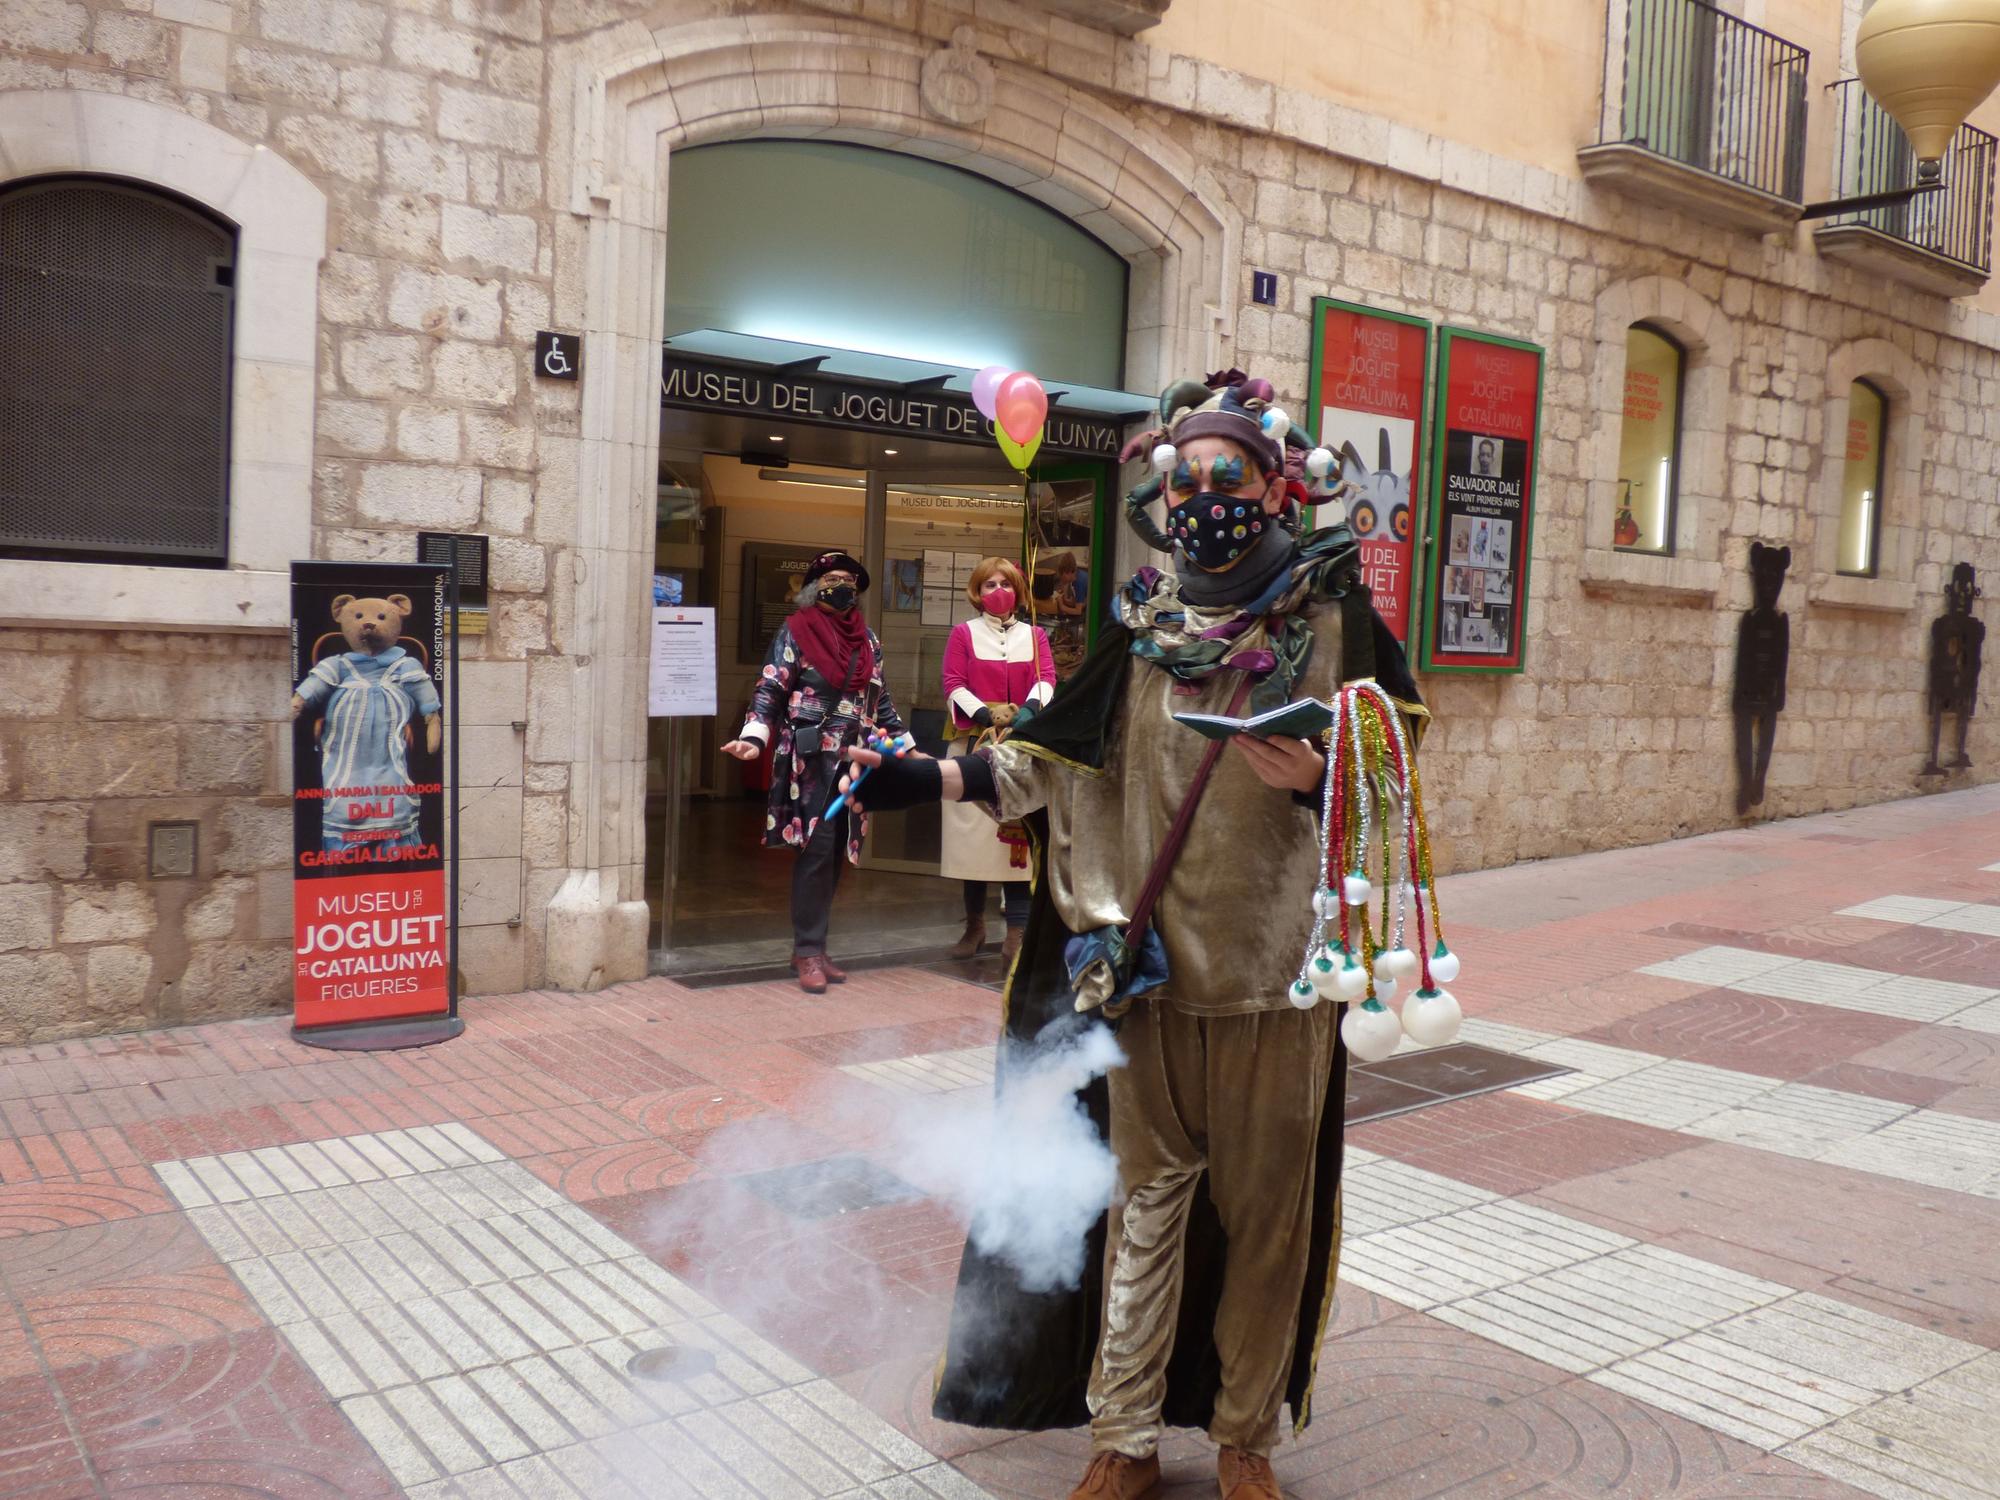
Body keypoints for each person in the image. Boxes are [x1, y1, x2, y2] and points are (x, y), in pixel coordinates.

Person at [840, 373, 1424, 1500]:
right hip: (1146, 983)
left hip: (1279, 989)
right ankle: (1124, 1435)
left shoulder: (1331, 623)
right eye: (1190, 478)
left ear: (1275, 487)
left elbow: (1399, 781)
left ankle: (1244, 1437)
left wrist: (1319, 780)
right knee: (1141, 1214)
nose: (1209, 497)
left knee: (1264, 1226)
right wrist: (922, 773)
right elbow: (1046, 763)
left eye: (1232, 478)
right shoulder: (1140, 630)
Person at [721, 551, 904, 994]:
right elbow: (770, 686)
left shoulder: (867, 640)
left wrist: (906, 745)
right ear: (814, 586)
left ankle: (816, 947)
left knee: (838, 849)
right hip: (810, 761)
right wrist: (755, 737)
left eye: (847, 579)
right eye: (830, 578)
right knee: (817, 850)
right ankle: (806, 951)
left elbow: (879, 701)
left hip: (854, 758)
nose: (839, 585)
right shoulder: (796, 630)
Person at [939, 558, 1056, 962]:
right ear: (977, 592)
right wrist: (983, 714)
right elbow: (952, 682)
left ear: (1017, 591)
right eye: (988, 584)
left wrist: (1028, 710)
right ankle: (974, 925)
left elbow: (1047, 679)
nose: (997, 591)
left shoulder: (1035, 635)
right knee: (973, 842)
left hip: (1018, 745)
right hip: (974, 741)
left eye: (1004, 583)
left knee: (1016, 840)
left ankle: (1017, 933)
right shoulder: (963, 634)